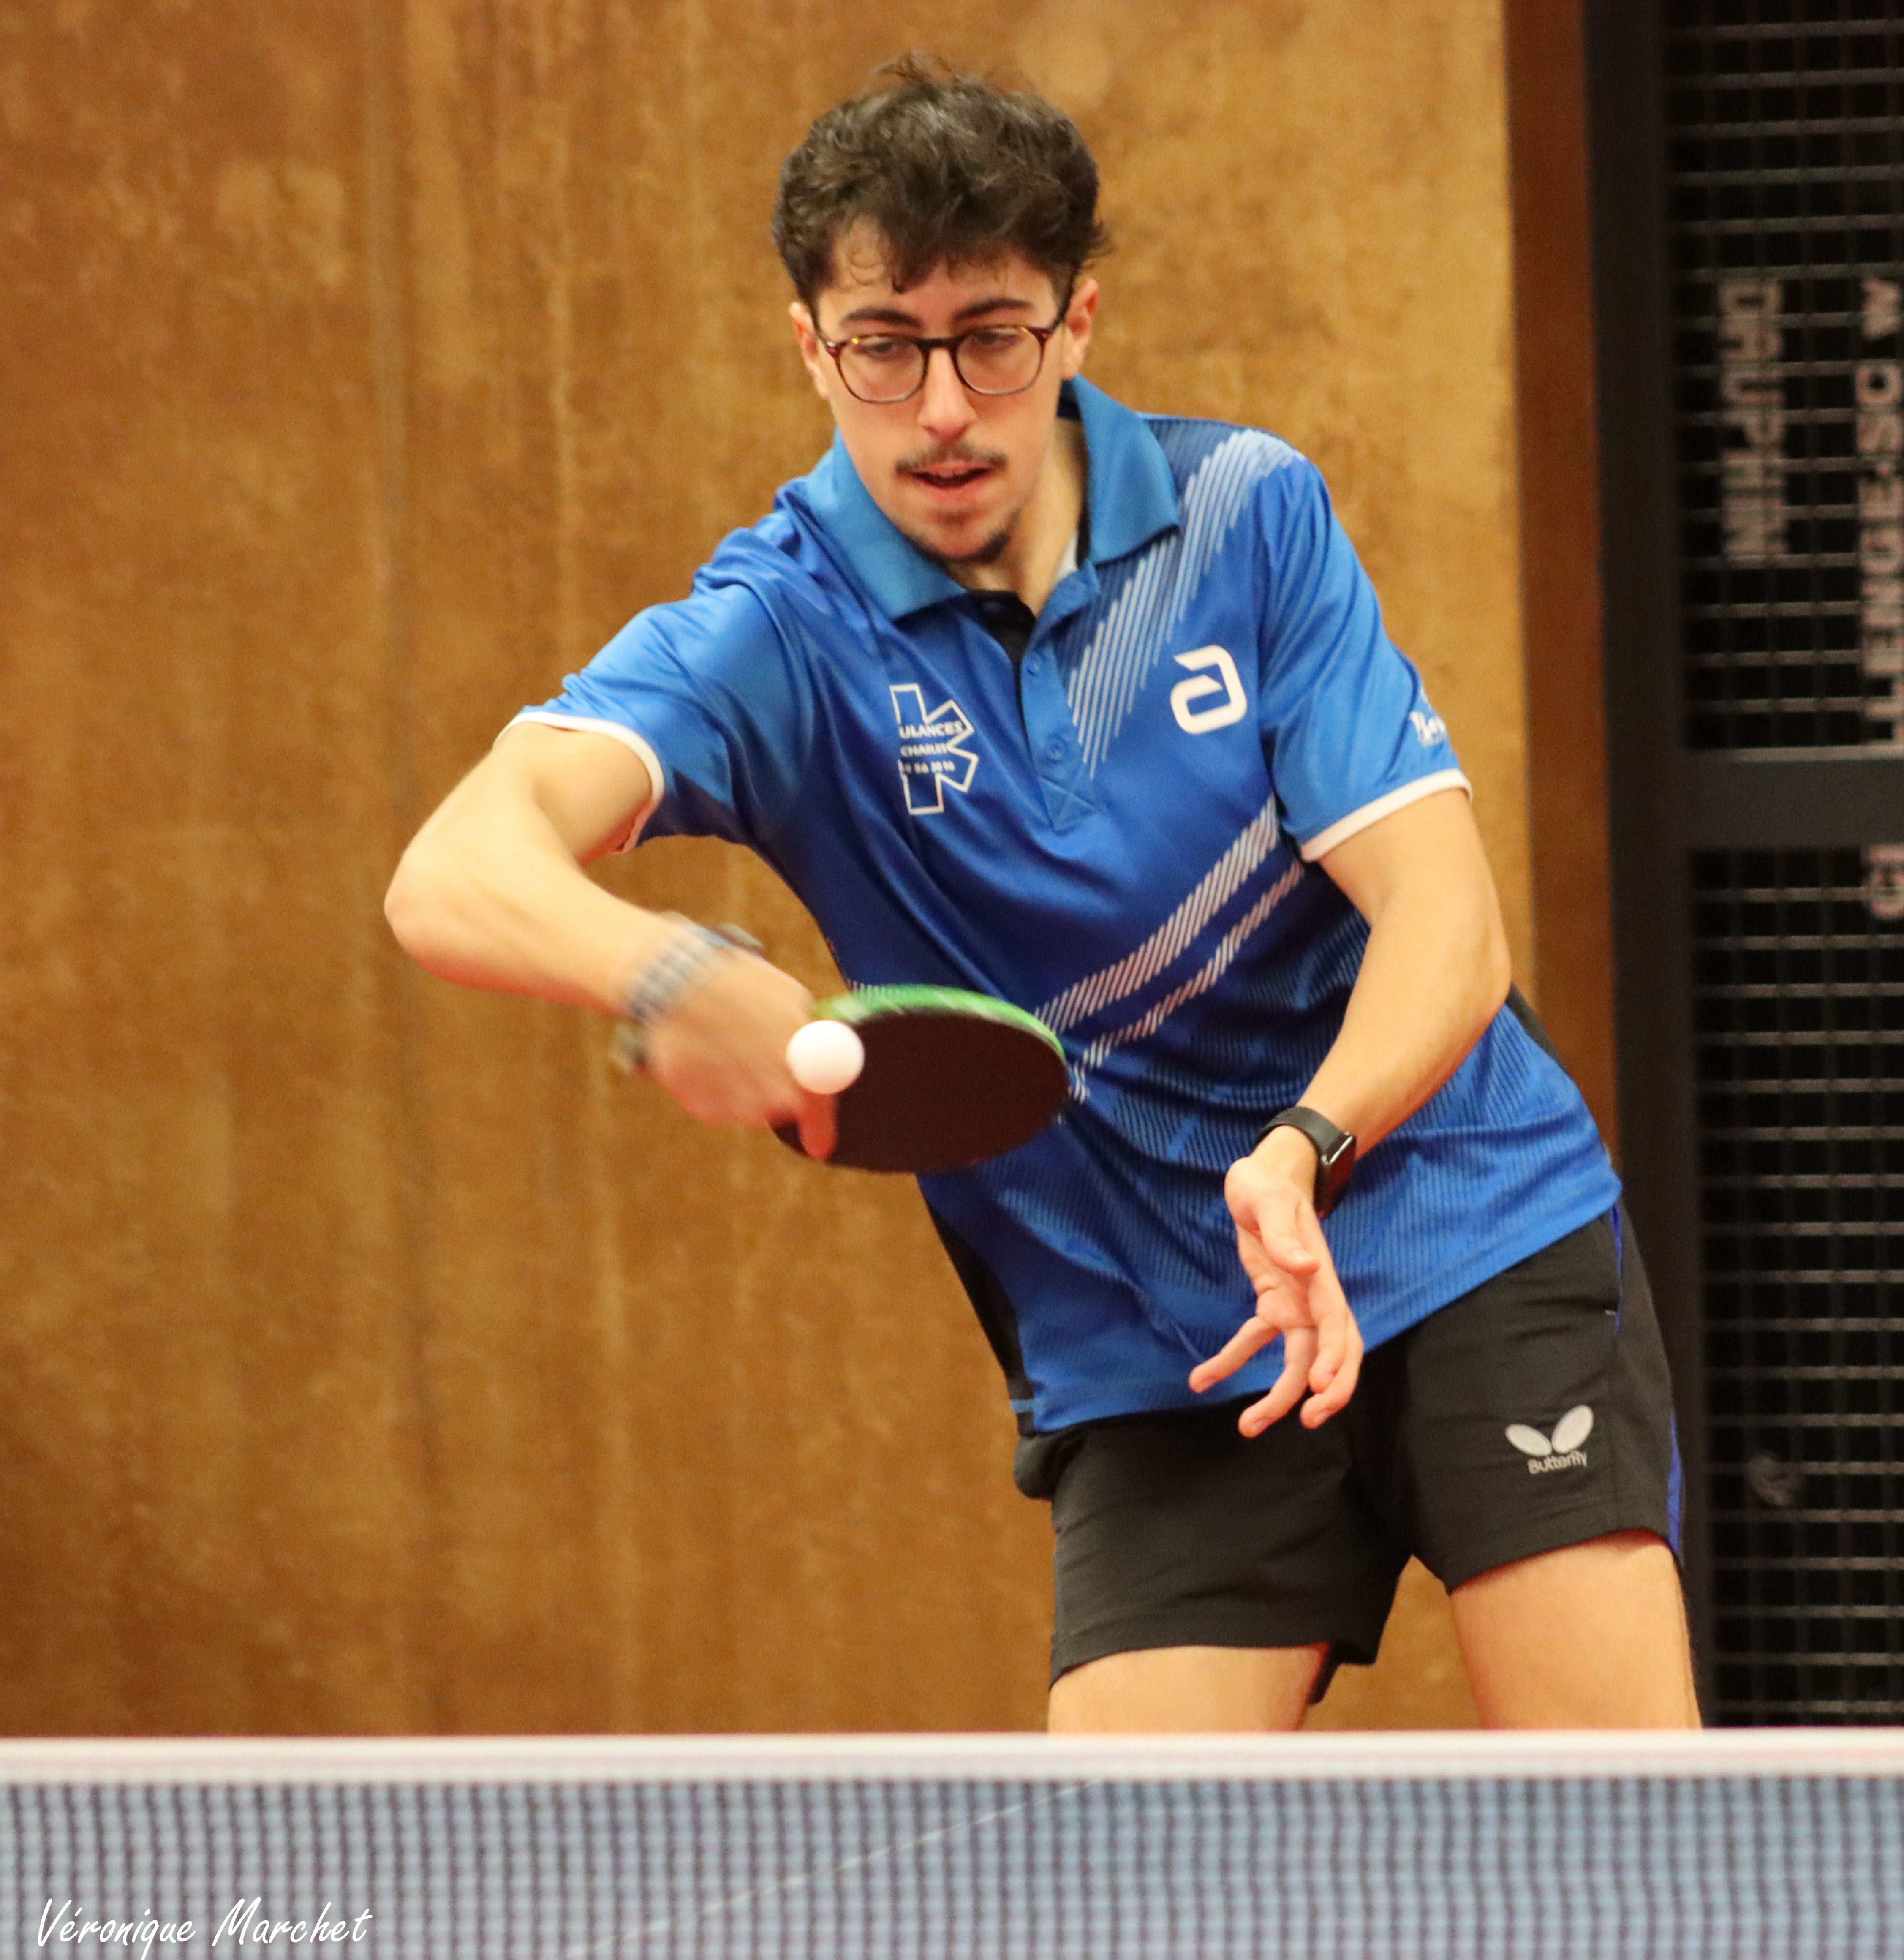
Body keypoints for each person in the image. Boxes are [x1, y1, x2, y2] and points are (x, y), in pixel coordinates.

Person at [383, 55, 1697, 1732]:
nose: (942, 408)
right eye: (885, 345)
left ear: (1076, 324)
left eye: (990, 338)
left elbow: (1450, 919)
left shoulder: (1245, 518)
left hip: (1463, 1217)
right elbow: (453, 868)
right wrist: (663, 974)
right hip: (1159, 1342)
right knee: (1120, 1866)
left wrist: (1305, 1145)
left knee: (1625, 1827)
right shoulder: (780, 634)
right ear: (811, 348)